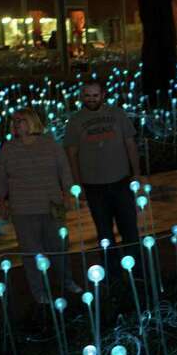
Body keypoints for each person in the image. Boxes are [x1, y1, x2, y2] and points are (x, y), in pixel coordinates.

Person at [0, 107, 78, 315]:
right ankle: (39, 291)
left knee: (59, 246)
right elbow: (1, 177)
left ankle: (66, 281)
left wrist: (68, 193)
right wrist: (1, 201)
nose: (16, 123)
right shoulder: (8, 148)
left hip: (53, 205)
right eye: (14, 120)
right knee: (32, 253)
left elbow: (64, 169)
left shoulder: (50, 144)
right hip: (23, 208)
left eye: (21, 120)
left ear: (32, 122)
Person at [64, 79, 142, 273]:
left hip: (121, 182)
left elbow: (130, 144)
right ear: (82, 96)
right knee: (104, 232)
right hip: (94, 186)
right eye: (87, 96)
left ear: (103, 95)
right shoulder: (75, 121)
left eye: (95, 95)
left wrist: (136, 173)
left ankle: (137, 270)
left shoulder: (117, 114)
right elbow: (71, 154)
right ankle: (112, 272)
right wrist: (77, 183)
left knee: (129, 228)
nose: (91, 99)